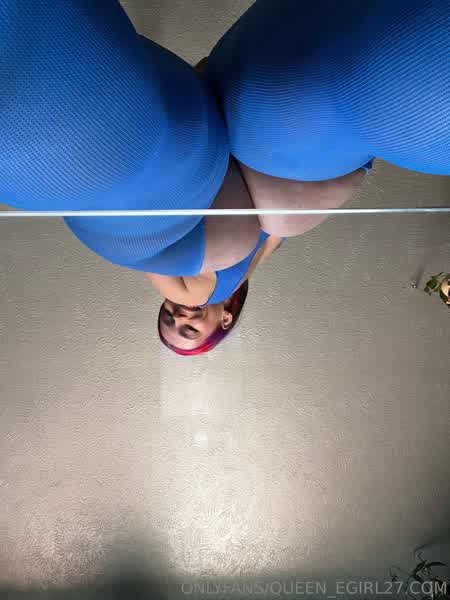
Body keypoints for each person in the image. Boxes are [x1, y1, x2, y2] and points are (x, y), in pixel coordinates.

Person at [1, 1, 448, 355]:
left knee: (72, 150)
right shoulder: (220, 276)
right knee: (399, 92)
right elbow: (270, 236)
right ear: (226, 320)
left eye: (168, 319)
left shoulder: (211, 271)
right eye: (189, 330)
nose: (180, 316)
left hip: (218, 143)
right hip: (263, 135)